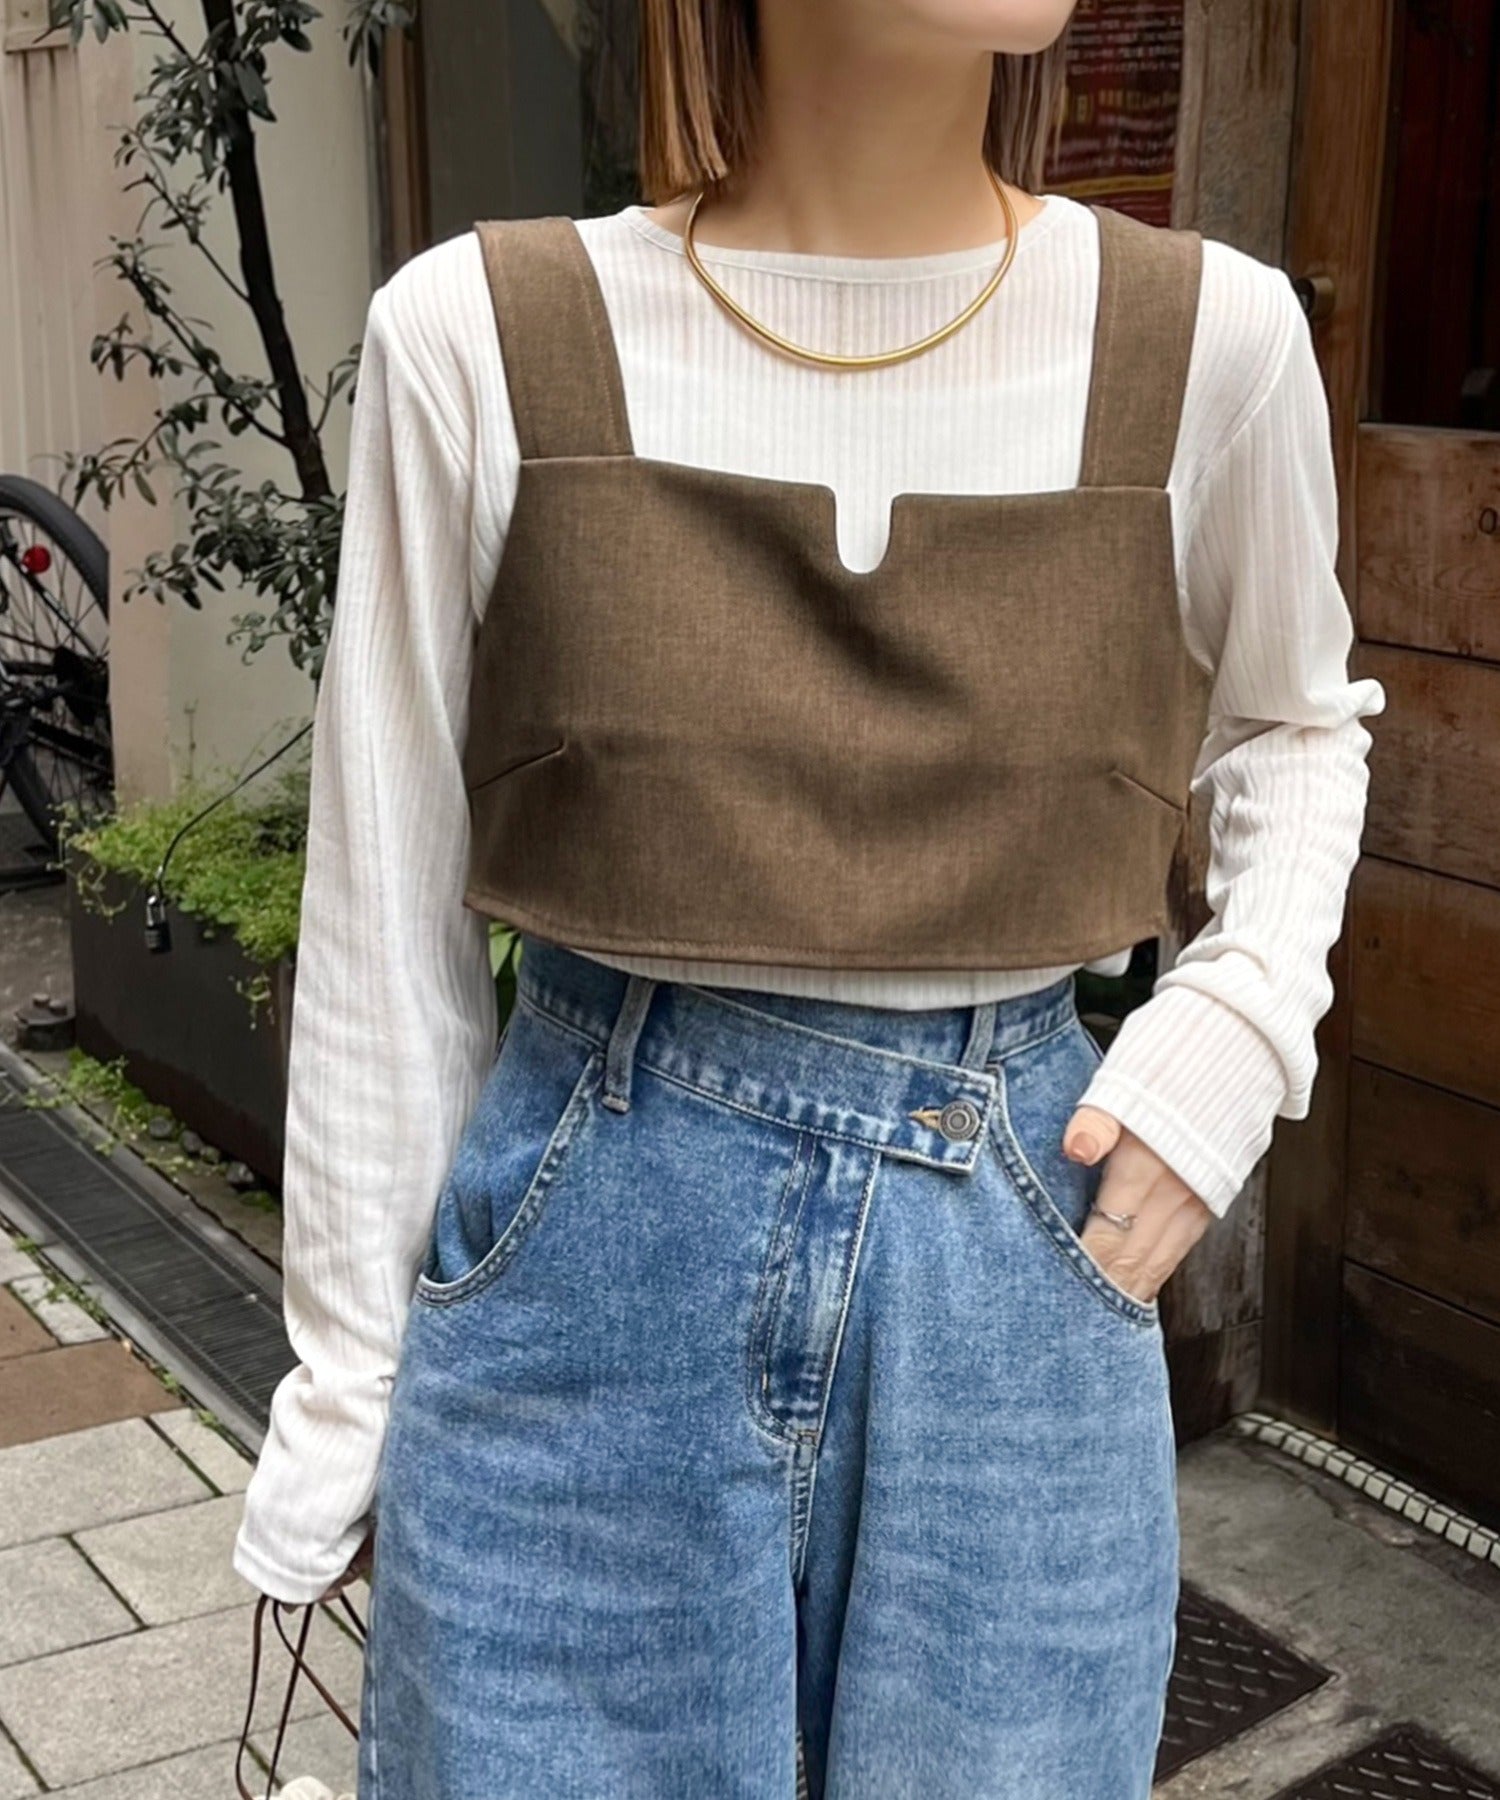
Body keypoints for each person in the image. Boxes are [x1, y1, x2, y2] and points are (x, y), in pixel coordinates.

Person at [232, 0, 1386, 1793]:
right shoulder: (477, 336)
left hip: (1022, 1258)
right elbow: (386, 922)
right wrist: (351, 1404)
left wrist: (1237, 1027)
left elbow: (1293, 728)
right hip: (586, 1264)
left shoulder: (1209, 344)